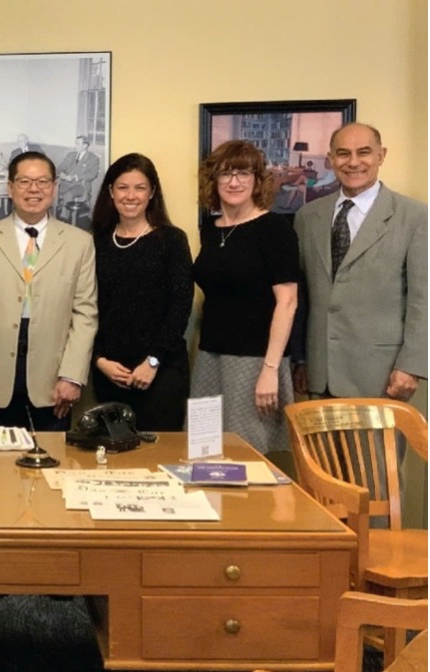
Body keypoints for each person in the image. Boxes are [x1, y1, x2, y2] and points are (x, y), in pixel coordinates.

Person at [293, 123, 427, 402]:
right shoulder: (307, 217)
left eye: (363, 152)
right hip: (320, 375)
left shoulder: (414, 217)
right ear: (330, 159)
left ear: (381, 155)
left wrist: (411, 366)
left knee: (376, 450)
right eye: (343, 154)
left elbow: (423, 300)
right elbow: (302, 295)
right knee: (319, 449)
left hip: (383, 377)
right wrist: (301, 359)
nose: (353, 162)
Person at [0, 152, 98, 431]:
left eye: (42, 181)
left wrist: (73, 376)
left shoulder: (79, 242)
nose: (33, 189)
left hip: (54, 379)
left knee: (52, 465)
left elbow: (85, 313)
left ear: (55, 187)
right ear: (10, 187)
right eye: (24, 181)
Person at [191, 140, 298, 455]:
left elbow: (288, 302)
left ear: (257, 180)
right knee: (204, 451)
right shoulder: (210, 229)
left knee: (246, 457)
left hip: (254, 361)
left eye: (243, 173)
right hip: (209, 357)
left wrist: (270, 369)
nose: (234, 182)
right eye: (225, 174)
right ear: (213, 181)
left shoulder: (275, 229)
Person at [90, 153, 194, 431]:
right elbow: (87, 306)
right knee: (111, 461)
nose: (130, 196)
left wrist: (153, 361)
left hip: (161, 372)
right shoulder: (96, 241)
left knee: (157, 458)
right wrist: (99, 360)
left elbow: (181, 305)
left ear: (152, 193)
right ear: (111, 192)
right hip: (109, 372)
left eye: (140, 187)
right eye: (123, 187)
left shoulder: (172, 240)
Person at [57, 135, 101, 208]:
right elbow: (60, 167)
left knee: (68, 195)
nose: (75, 146)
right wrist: (61, 174)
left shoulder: (92, 158)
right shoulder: (70, 155)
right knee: (52, 191)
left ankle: (65, 217)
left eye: (78, 144)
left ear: (85, 145)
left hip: (81, 185)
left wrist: (75, 177)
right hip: (66, 183)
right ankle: (54, 214)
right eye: (75, 143)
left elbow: (92, 174)